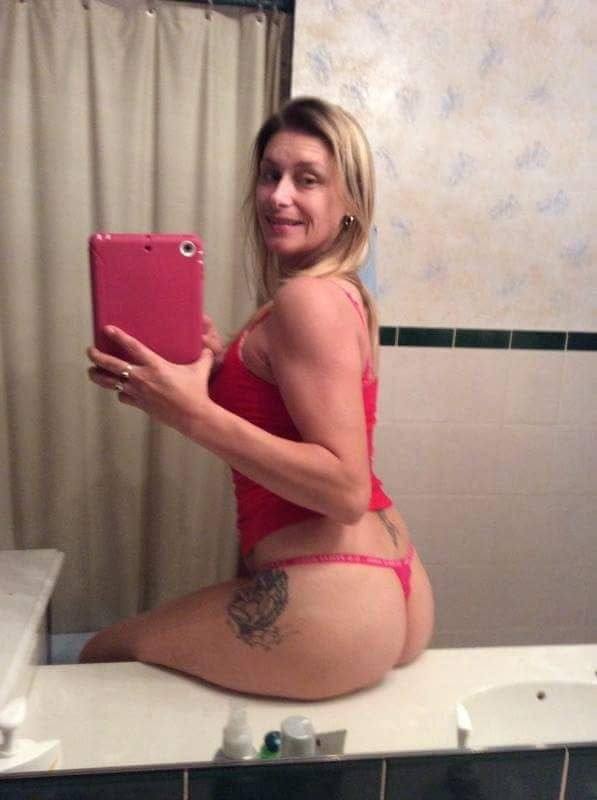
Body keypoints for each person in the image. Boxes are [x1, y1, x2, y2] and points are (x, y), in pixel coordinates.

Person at [81, 96, 434, 700]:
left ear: (350, 202)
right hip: (388, 578)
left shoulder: (306, 299)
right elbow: (299, 415)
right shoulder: (340, 293)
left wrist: (189, 412)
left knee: (100, 655)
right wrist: (225, 368)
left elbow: (344, 489)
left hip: (332, 596)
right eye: (270, 175)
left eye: (307, 179)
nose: (278, 196)